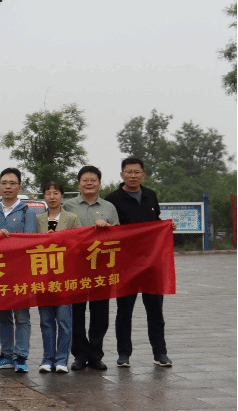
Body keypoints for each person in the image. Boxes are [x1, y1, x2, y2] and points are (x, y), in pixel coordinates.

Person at [106, 157, 172, 368]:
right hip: (126, 265)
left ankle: (160, 353)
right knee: (124, 311)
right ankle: (123, 354)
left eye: (137, 172)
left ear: (143, 175)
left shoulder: (151, 195)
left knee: (155, 311)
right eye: (129, 172)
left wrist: (166, 227)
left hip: (152, 263)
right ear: (122, 174)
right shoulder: (112, 199)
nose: (133, 176)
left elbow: (155, 222)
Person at [62, 165, 119, 371]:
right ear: (78, 184)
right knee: (76, 313)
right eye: (85, 180)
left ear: (99, 184)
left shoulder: (109, 207)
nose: (89, 183)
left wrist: (108, 227)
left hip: (101, 267)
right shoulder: (67, 206)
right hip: (75, 267)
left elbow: (119, 235)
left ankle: (96, 355)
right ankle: (79, 355)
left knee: (100, 313)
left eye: (93, 180)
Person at [0, 167, 38, 373]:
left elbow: (30, 242)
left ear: (20, 187)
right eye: (4, 183)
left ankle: (21, 357)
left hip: (20, 273)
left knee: (22, 316)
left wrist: (7, 241)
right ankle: (6, 355)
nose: (7, 187)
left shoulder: (28, 212)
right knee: (3, 317)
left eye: (12, 183)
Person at [36, 181, 81, 374]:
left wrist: (59, 240)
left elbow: (79, 243)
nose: (52, 197)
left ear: (62, 196)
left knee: (64, 321)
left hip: (64, 277)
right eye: (48, 193)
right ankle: (47, 358)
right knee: (46, 321)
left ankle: (62, 359)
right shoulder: (38, 219)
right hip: (43, 277)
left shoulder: (71, 218)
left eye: (56, 193)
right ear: (44, 197)